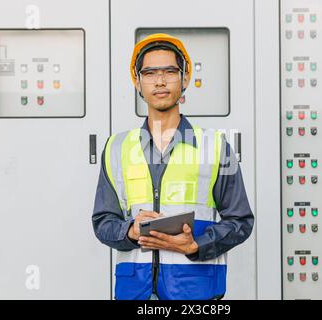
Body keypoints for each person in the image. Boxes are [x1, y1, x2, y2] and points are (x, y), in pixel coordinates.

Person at [92, 33, 254, 300]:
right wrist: (130, 231)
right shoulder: (116, 148)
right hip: (135, 293)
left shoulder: (215, 146)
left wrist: (196, 245)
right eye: (150, 72)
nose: (160, 81)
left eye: (169, 71)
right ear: (137, 81)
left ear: (185, 78)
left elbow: (240, 221)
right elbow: (103, 221)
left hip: (195, 293)